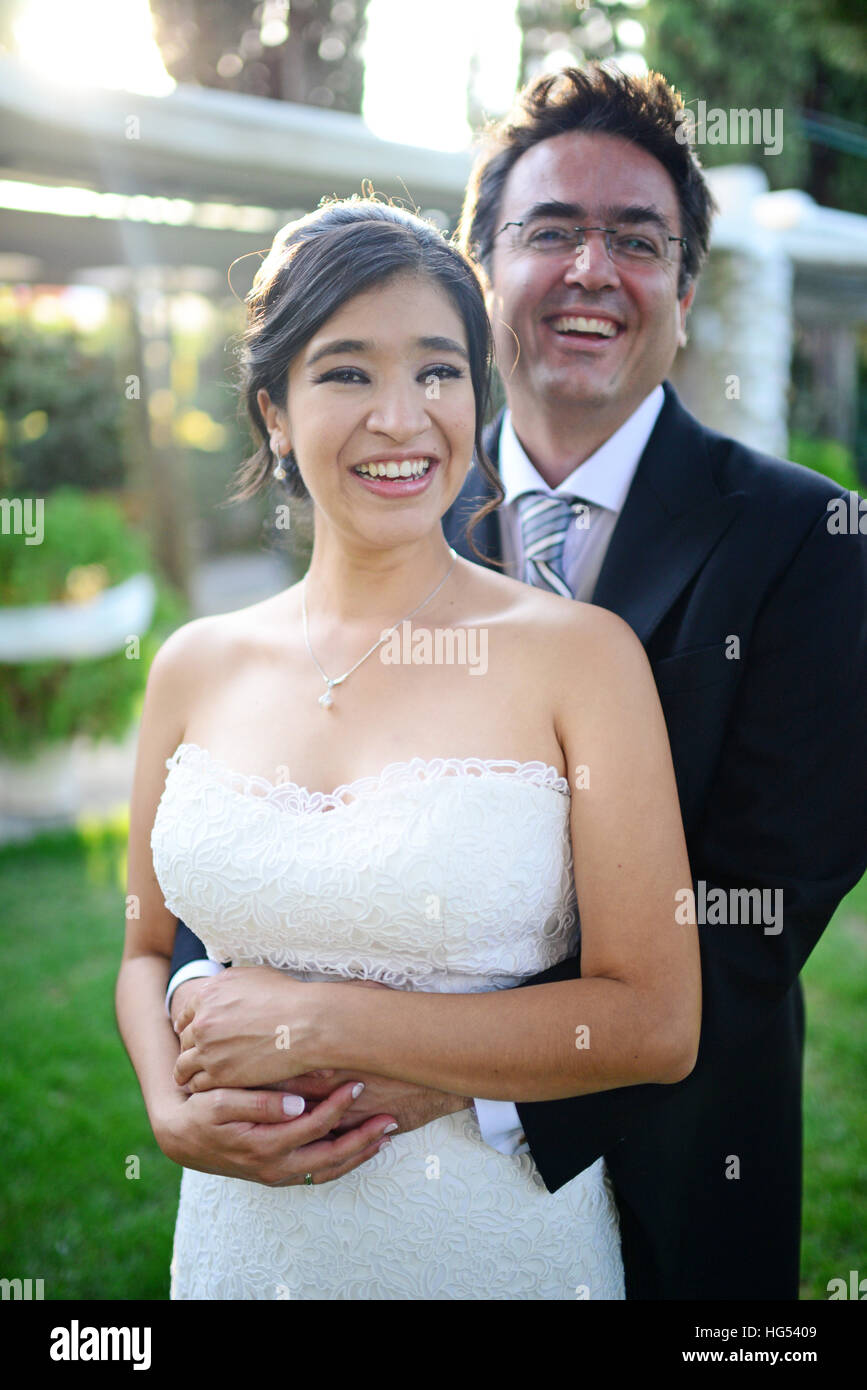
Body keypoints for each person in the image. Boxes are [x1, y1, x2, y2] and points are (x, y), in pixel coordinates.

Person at [166, 64, 867, 1301]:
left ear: (686, 296)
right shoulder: (389, 480)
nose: (593, 271)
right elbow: (253, 792)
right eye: (550, 232)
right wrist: (194, 1019)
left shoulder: (811, 543)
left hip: (674, 1158)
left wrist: (436, 1072)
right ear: (483, 272)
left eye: (637, 241)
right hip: (296, 1167)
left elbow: (753, 915)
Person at [117, 193, 700, 1300]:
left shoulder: (581, 658)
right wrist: (169, 1106)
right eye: (346, 372)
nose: (401, 416)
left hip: (494, 1248)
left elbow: (656, 1023)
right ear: (274, 413)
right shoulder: (194, 665)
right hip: (245, 1251)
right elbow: (147, 951)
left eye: (438, 370)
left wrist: (320, 1020)